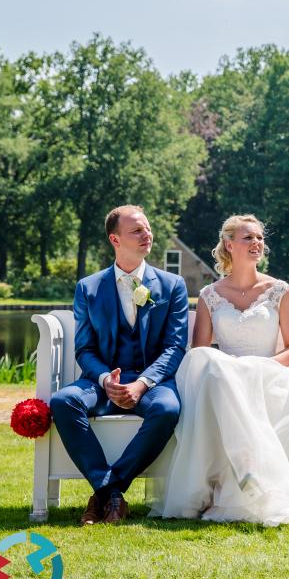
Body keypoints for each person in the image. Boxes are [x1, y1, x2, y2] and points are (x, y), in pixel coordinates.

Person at [151, 214, 289, 526]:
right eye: (248, 237)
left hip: (269, 375)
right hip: (224, 378)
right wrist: (234, 370)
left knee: (222, 374)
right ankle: (241, 465)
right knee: (208, 364)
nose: (256, 243)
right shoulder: (210, 295)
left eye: (259, 237)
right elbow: (200, 351)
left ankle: (242, 475)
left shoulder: (279, 290)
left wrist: (256, 367)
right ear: (229, 244)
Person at [50, 205, 188, 525]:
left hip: (150, 382)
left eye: (147, 228)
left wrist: (142, 384)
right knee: (63, 400)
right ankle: (111, 494)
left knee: (167, 408)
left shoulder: (172, 285)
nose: (147, 234)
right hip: (102, 382)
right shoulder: (89, 287)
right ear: (115, 239)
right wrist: (103, 380)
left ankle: (107, 492)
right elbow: (84, 349)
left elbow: (175, 347)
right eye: (137, 230)